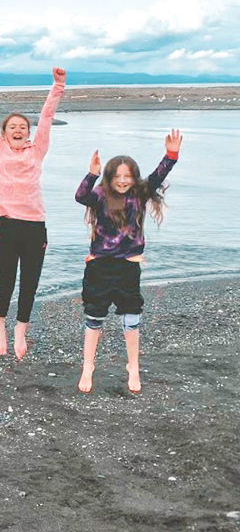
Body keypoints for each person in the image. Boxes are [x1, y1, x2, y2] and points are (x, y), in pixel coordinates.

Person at [75, 130, 181, 394]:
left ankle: (133, 367)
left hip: (128, 267)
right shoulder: (99, 194)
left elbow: (159, 176)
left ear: (134, 177)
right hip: (99, 265)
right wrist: (92, 173)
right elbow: (80, 196)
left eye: (128, 176)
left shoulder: (140, 193)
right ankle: (88, 367)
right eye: (117, 176)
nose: (123, 181)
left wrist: (171, 155)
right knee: (94, 317)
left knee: (131, 318)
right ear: (109, 177)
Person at [0, 65, 65, 359]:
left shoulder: (37, 149)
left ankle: (21, 329)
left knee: (30, 282)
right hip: (8, 224)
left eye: (22, 127)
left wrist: (57, 85)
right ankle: (0, 325)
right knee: (6, 282)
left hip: (35, 226)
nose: (18, 130)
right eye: (12, 127)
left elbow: (47, 117)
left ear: (28, 133)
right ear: (3, 133)